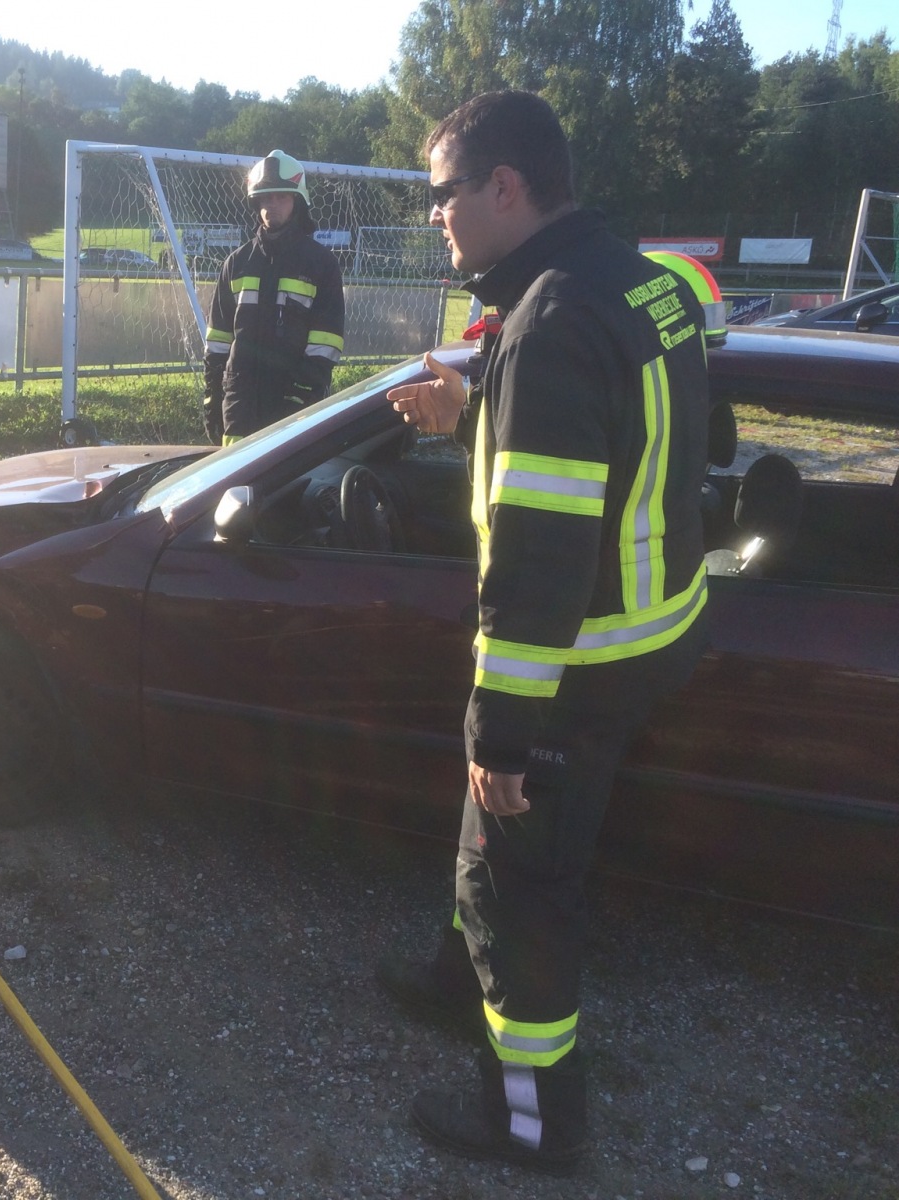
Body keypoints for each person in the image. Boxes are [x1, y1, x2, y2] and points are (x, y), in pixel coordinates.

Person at [380, 90, 710, 1173]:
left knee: (515, 885)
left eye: (442, 194)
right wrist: (476, 416)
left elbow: (539, 560)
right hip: (649, 629)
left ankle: (531, 1122)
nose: (434, 215)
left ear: (503, 187)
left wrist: (504, 734)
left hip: (575, 664)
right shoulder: (643, 282)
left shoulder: (546, 327)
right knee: (489, 844)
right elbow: (608, 440)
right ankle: (456, 985)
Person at [202, 149, 344, 445]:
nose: (272, 206)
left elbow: (325, 343)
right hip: (239, 404)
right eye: (266, 198)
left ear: (298, 202)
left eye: (281, 197)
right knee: (237, 472)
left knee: (291, 473)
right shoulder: (236, 263)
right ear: (256, 203)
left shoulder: (321, 264)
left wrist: (302, 394)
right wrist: (213, 398)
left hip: (296, 406)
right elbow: (218, 341)